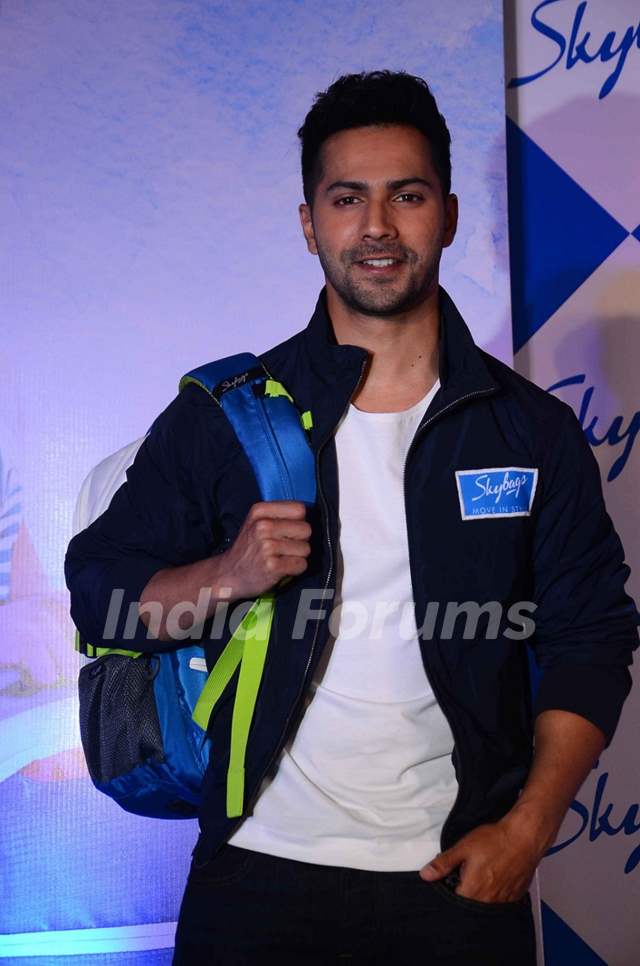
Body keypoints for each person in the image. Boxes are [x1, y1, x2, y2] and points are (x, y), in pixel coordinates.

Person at [65, 70, 638, 965]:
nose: (377, 227)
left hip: (457, 880)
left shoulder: (532, 430)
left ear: (445, 215)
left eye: (405, 196)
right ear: (309, 224)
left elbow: (591, 641)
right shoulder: (230, 413)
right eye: (347, 199)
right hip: (254, 876)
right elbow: (99, 596)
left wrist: (527, 831)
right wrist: (227, 576)